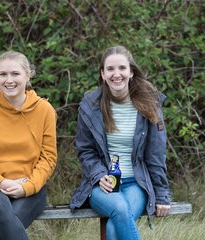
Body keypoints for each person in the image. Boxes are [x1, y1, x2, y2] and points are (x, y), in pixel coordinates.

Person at [70, 45, 171, 240]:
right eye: (110, 69)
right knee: (119, 208)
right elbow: (85, 151)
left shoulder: (149, 104)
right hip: (101, 186)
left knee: (114, 229)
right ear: (103, 73)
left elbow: (156, 154)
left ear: (131, 72)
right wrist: (99, 175)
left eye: (122, 68)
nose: (117, 74)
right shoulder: (90, 106)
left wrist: (161, 194)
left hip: (136, 184)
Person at [0, 51, 57, 240]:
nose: (9, 80)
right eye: (3, 74)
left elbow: (48, 158)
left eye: (15, 74)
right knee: (3, 211)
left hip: (31, 187)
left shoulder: (44, 110)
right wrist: (0, 181)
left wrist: (28, 186)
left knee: (11, 222)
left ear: (28, 75)